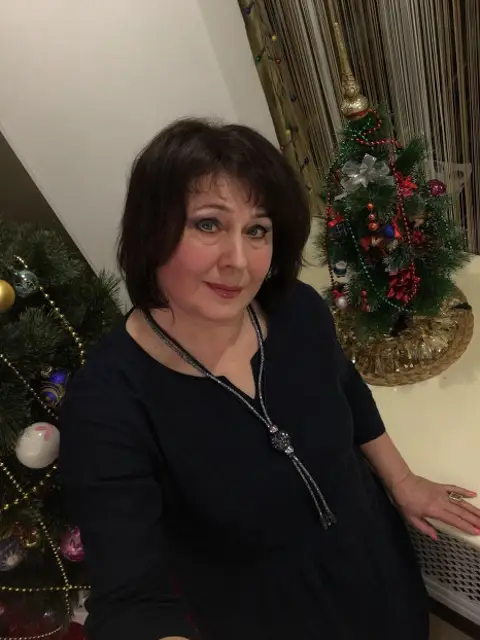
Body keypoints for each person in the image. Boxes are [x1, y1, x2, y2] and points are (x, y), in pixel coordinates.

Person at [59, 118, 480, 640]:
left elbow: (347, 390)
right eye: (208, 224)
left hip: (375, 564)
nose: (238, 262)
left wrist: (401, 480)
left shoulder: (297, 309)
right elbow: (130, 597)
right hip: (266, 615)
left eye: (257, 230)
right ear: (152, 229)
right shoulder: (106, 403)